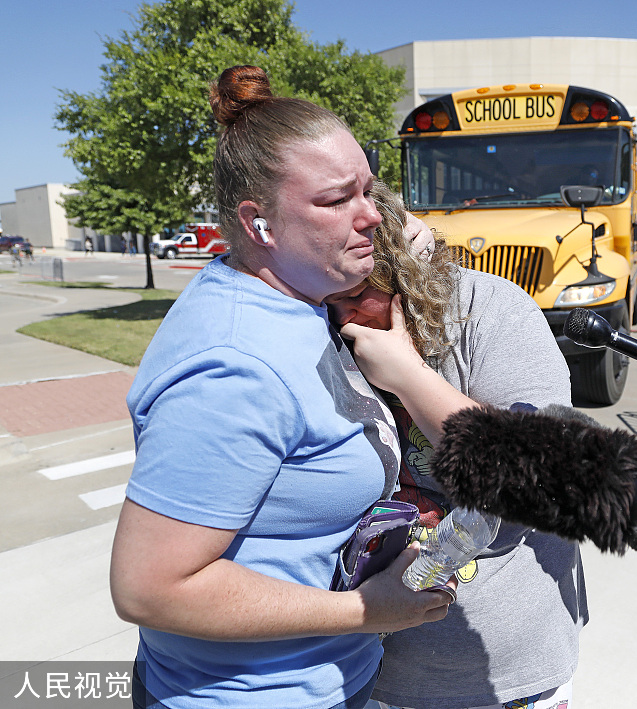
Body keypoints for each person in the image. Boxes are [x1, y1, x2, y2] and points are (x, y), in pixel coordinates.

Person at [109, 65, 454, 709]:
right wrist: (363, 610)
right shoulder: (234, 365)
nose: (373, 217)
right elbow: (149, 588)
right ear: (259, 222)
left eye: (369, 190)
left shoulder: (293, 297)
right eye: (335, 200)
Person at [328, 182, 586, 709]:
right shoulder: (319, 321)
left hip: (502, 679)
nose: (342, 319)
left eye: (358, 297)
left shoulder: (489, 311)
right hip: (365, 676)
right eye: (327, 300)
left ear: (406, 274)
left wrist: (408, 378)